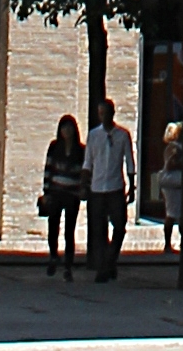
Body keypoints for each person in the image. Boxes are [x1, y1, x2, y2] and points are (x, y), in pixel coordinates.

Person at [84, 98, 136, 281]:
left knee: (120, 226)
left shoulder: (122, 135)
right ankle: (104, 267)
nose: (103, 116)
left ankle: (110, 259)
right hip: (97, 187)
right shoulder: (93, 135)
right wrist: (85, 185)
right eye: (100, 113)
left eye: (105, 113)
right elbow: (88, 162)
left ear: (112, 113)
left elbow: (129, 160)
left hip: (115, 186)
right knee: (99, 229)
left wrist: (132, 184)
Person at [39, 113, 86, 273]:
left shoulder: (80, 151)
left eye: (69, 128)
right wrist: (46, 192)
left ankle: (68, 263)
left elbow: (83, 172)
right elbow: (48, 169)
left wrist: (82, 189)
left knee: (69, 229)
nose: (67, 131)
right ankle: (53, 255)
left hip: (72, 194)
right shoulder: (54, 148)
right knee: (53, 225)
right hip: (56, 192)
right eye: (64, 128)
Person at [150, 121, 183, 262]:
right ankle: (168, 243)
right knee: (172, 213)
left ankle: (181, 242)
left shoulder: (179, 146)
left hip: (179, 182)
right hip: (173, 183)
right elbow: (171, 164)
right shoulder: (173, 148)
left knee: (179, 213)